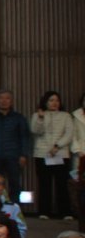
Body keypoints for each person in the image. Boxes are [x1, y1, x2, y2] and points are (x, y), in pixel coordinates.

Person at [31, 90, 74, 219]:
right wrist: (40, 118)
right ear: (45, 102)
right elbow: (35, 131)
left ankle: (65, 212)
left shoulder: (66, 116)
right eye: (51, 100)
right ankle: (44, 211)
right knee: (44, 183)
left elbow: (69, 134)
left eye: (56, 100)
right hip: (42, 153)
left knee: (62, 183)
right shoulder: (37, 115)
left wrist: (57, 146)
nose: (54, 103)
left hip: (61, 153)